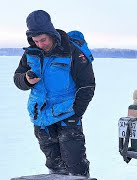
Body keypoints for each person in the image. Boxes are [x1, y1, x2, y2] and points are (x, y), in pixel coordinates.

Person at [13, 10, 95, 177]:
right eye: (35, 41)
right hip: (41, 117)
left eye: (43, 40)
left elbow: (87, 85)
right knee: (54, 164)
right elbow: (17, 78)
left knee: (75, 164)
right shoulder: (30, 53)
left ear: (51, 34)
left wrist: (76, 113)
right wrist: (26, 80)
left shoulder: (72, 51)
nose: (40, 44)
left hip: (67, 116)